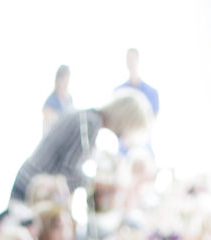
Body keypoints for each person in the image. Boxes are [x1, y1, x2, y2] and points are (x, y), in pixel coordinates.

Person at [9, 91, 151, 203]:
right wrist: (100, 183)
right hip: (32, 189)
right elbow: (68, 173)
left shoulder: (86, 116)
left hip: (28, 179)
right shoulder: (89, 125)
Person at [116, 48, 159, 117]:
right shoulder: (118, 92)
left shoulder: (152, 93)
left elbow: (153, 118)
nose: (131, 62)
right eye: (128, 59)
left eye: (133, 59)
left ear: (138, 60)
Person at [42, 65, 74, 136]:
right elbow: (47, 130)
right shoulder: (50, 102)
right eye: (64, 81)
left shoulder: (69, 99)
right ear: (57, 80)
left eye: (67, 81)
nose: (66, 85)